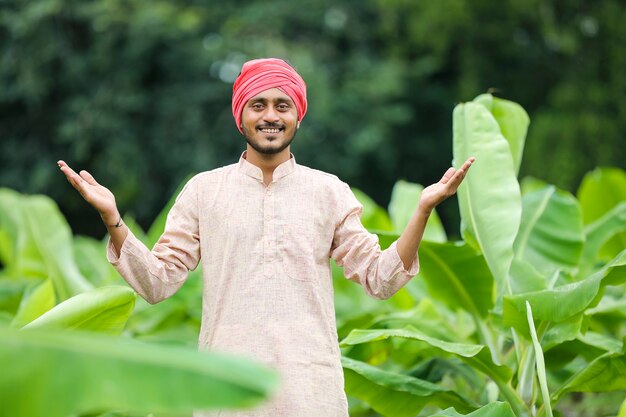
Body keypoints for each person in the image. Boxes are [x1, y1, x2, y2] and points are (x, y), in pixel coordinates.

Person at [58, 58, 474, 417]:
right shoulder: (204, 191)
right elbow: (157, 282)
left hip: (310, 392)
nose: (270, 116)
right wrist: (113, 217)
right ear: (241, 115)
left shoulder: (328, 192)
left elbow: (381, 280)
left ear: (298, 115)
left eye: (282, 105)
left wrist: (422, 210)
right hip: (227, 390)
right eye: (258, 105)